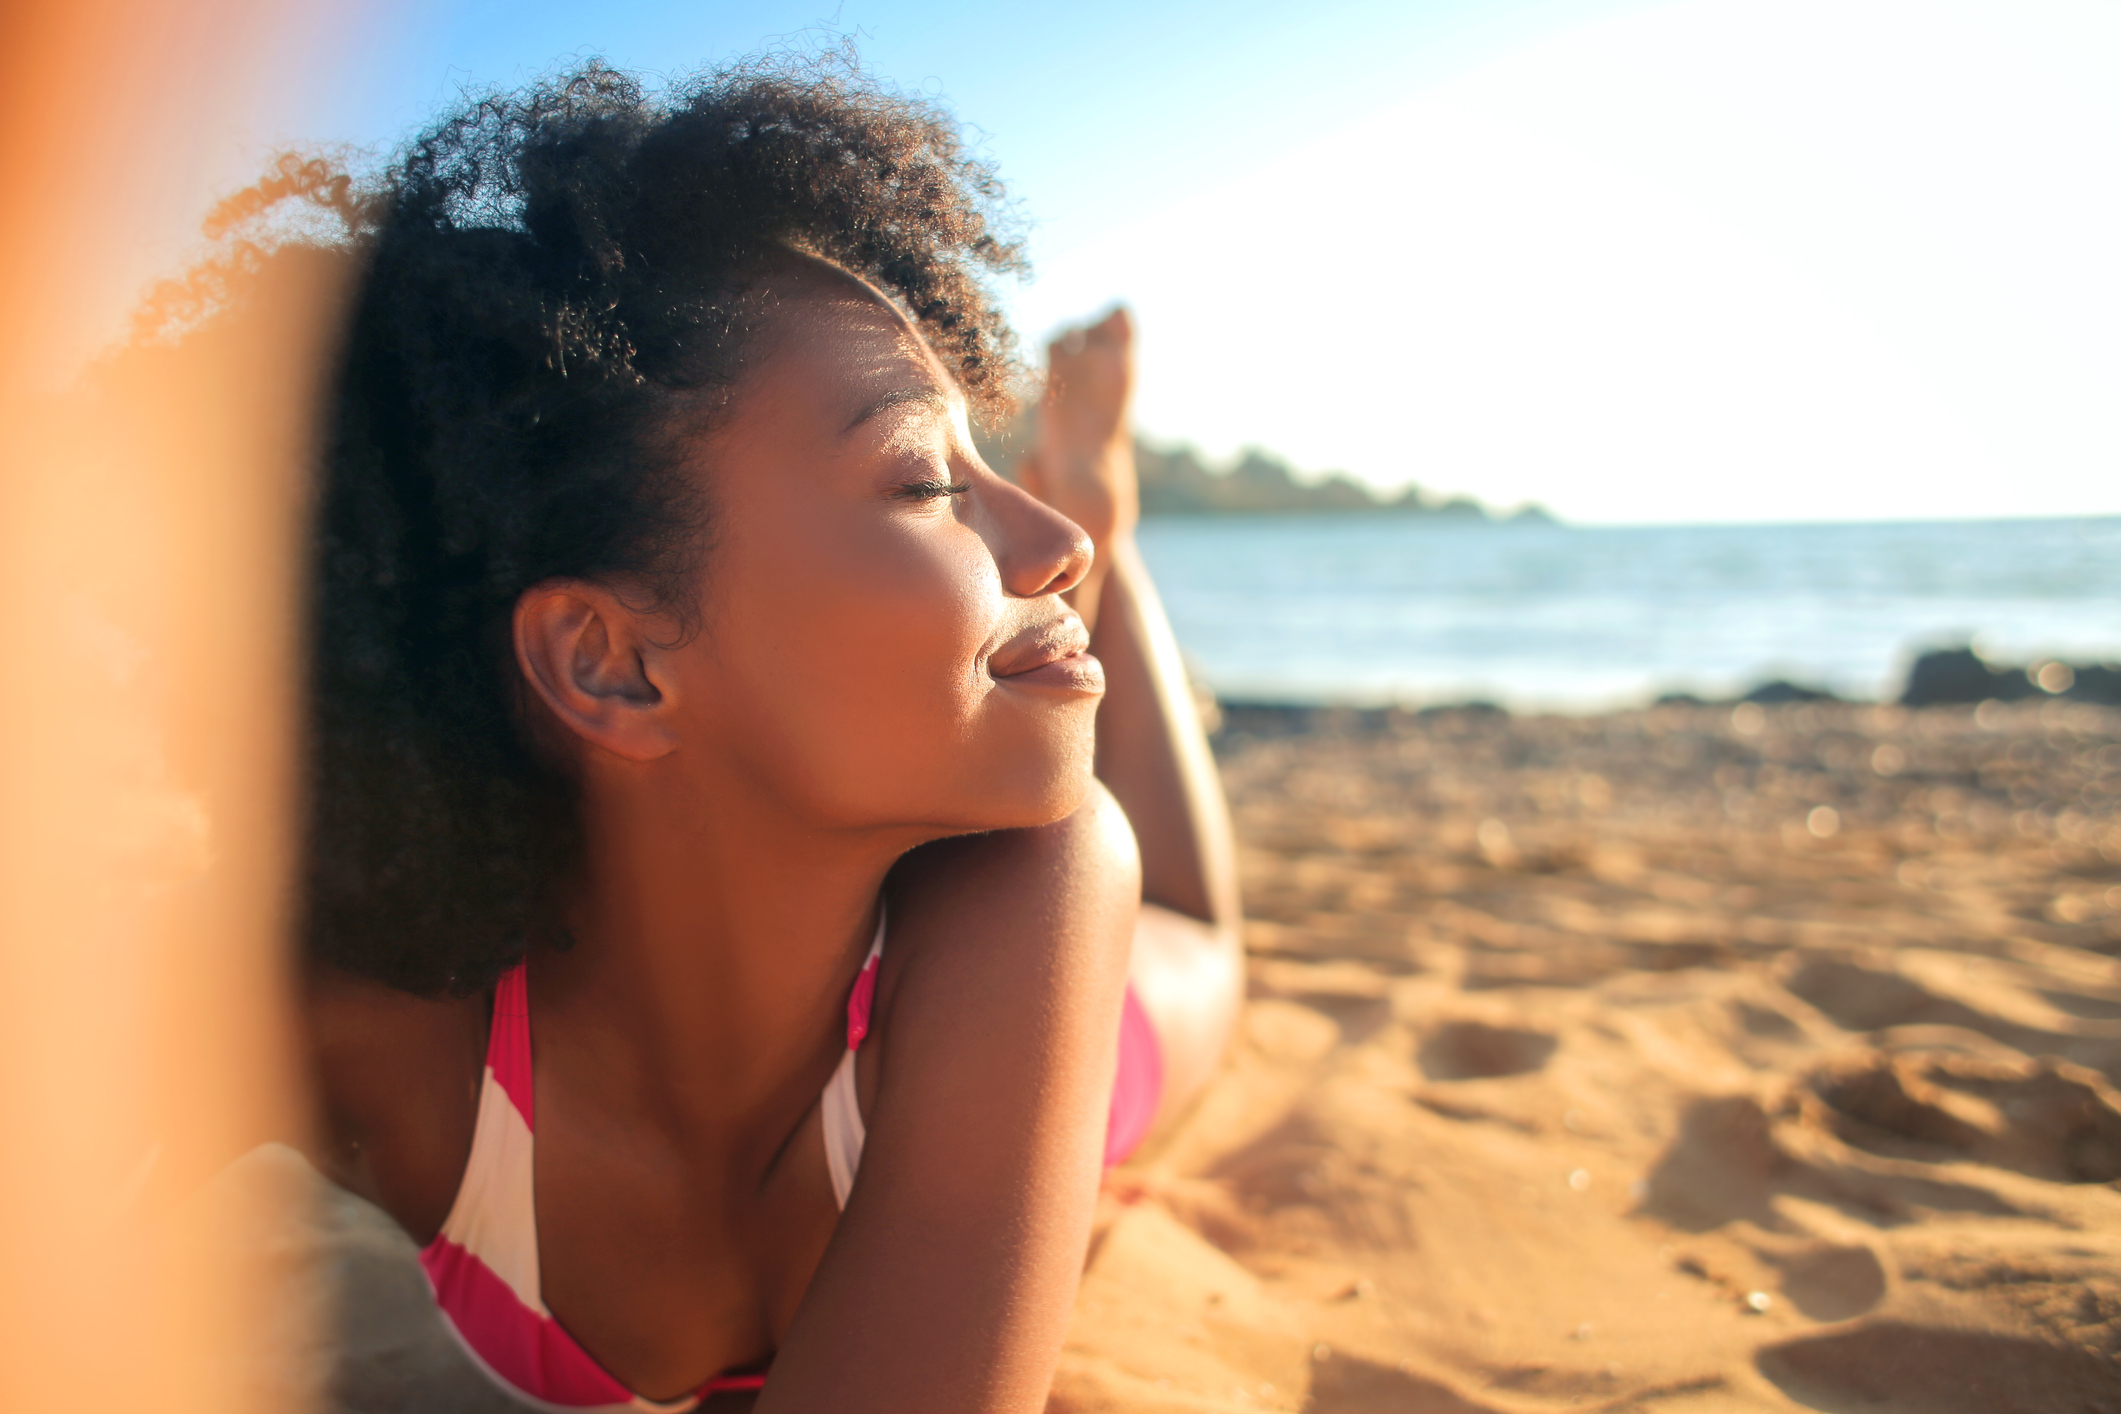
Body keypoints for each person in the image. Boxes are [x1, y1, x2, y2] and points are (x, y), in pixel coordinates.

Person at [288, 58, 1242, 1413]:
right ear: (608, 663)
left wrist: (1087, 553)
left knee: (1201, 935)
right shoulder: (381, 1037)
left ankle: (1139, 542)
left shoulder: (1035, 883)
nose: (1049, 542)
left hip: (1078, 1031)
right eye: (923, 478)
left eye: (986, 468)